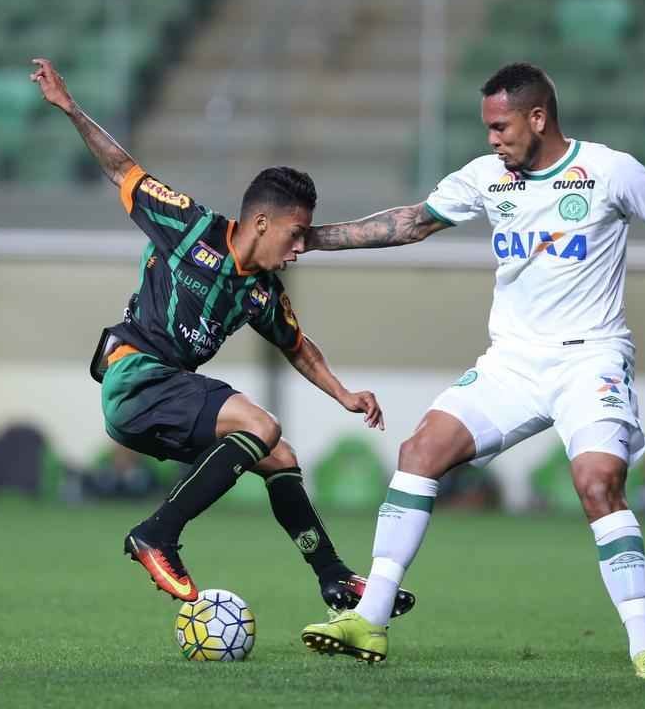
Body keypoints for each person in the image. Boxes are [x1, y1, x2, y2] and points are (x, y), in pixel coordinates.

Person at [297, 62, 645, 678]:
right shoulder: (488, 177)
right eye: (487, 128)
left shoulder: (610, 171)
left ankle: (644, 646)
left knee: (597, 485)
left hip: (590, 358)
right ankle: (371, 621)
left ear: (537, 118)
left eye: (501, 126)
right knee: (419, 451)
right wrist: (314, 239)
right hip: (511, 363)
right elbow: (410, 222)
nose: (492, 139)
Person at [29, 58, 414, 617]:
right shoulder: (189, 226)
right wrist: (71, 109)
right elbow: (123, 169)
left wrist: (345, 394)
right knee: (262, 425)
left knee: (278, 455)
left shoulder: (261, 291)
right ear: (261, 223)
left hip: (165, 392)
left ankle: (333, 579)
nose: (301, 247)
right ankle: (157, 534)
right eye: (296, 233)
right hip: (135, 374)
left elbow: (298, 347)